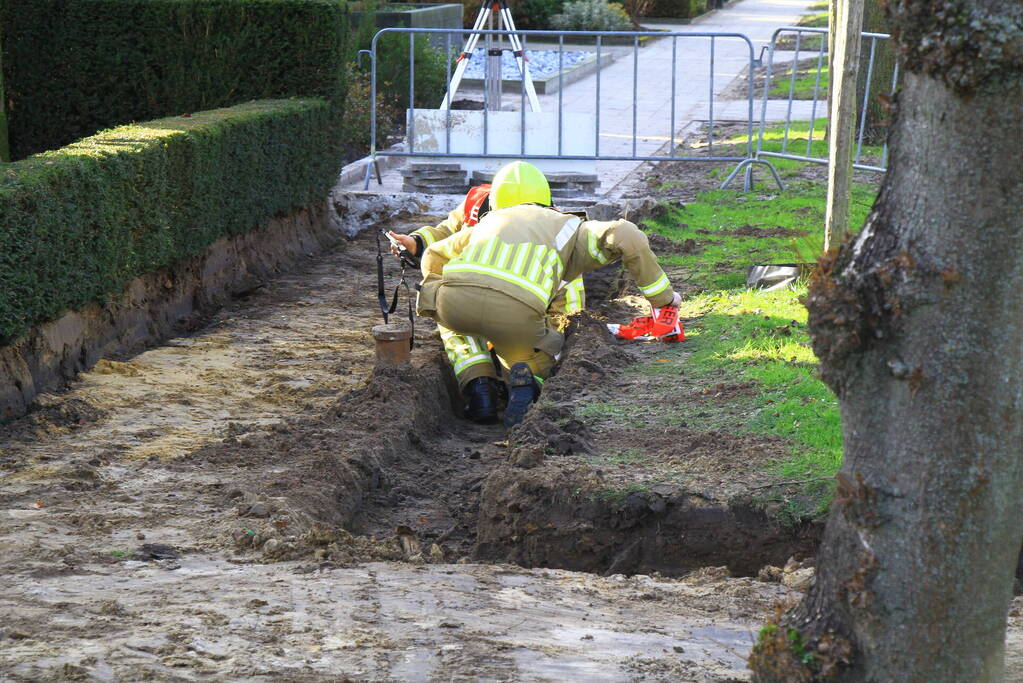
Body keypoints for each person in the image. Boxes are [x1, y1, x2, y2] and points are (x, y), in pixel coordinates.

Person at [415, 161, 682, 428]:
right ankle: (528, 383)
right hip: (515, 313)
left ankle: (478, 388)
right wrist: (664, 300)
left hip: (455, 306)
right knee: (537, 354)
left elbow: (432, 253)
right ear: (547, 199)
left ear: (494, 201)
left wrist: (430, 297)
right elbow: (626, 236)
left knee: (453, 325)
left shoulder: (488, 221)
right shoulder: (568, 227)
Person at [387, 181, 586, 424]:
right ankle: (527, 382)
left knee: (451, 315)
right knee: (538, 338)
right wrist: (416, 241)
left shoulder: (479, 206)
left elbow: (445, 240)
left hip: (470, 301)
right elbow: (447, 230)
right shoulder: (558, 229)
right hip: (523, 315)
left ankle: (478, 387)